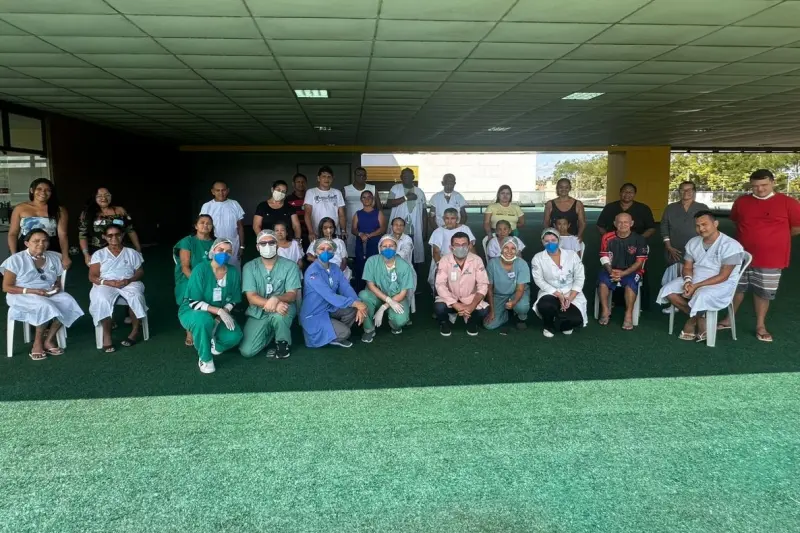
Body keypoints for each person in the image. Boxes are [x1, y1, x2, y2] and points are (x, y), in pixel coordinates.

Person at [719, 169, 800, 342]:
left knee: (763, 293)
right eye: (755, 186)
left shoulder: (789, 203)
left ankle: (760, 325)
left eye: (764, 185)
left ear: (773, 182)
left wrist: (774, 239)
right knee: (735, 287)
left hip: (771, 258)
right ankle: (728, 319)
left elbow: (796, 228)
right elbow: (736, 221)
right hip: (741, 255)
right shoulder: (741, 202)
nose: (760, 189)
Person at [657, 211, 744, 342]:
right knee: (668, 290)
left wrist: (696, 286)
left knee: (701, 294)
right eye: (697, 226)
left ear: (715, 224)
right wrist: (688, 281)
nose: (701, 229)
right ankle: (701, 318)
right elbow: (687, 267)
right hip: (696, 277)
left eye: (704, 224)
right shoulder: (693, 242)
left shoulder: (731, 245)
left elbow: (724, 276)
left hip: (721, 283)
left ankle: (691, 322)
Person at [0, 229, 84, 360]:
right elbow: (6, 287)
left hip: (46, 292)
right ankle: (37, 343)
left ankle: (49, 340)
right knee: (45, 306)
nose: (41, 244)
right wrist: (33, 291)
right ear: (27, 243)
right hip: (21, 294)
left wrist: (56, 287)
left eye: (45, 241)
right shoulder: (15, 260)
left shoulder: (53, 257)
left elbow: (56, 280)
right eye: (36, 241)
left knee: (68, 302)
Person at [178, 238, 243, 373]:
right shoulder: (200, 269)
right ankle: (205, 358)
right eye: (221, 250)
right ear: (213, 250)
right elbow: (193, 302)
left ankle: (215, 345)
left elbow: (234, 299)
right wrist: (219, 311)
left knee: (235, 335)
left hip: (218, 312)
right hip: (192, 311)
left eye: (228, 251)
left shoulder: (233, 272)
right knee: (203, 320)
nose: (224, 253)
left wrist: (221, 315)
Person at [240, 230, 302, 359]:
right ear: (257, 247)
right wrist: (273, 304)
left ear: (277, 245)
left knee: (280, 315)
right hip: (258, 311)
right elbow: (251, 298)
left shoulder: (290, 266)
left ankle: (283, 344)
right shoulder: (249, 267)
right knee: (247, 351)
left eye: (271, 242)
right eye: (263, 243)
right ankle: (271, 332)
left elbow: (292, 294)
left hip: (283, 308)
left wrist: (276, 299)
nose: (267, 246)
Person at [89, 224, 147, 352]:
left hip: (128, 282)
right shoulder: (99, 254)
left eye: (117, 234)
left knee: (136, 296)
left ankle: (135, 331)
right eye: (110, 235)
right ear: (104, 237)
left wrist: (129, 280)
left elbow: (140, 271)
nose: (114, 238)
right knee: (102, 299)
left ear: (122, 235)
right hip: (106, 283)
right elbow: (92, 276)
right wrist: (108, 282)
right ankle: (107, 336)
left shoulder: (132, 252)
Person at [300, 238, 367, 348]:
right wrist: (355, 303)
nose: (326, 251)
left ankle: (333, 331)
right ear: (316, 251)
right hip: (315, 313)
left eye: (329, 249)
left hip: (329, 308)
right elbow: (329, 296)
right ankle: (336, 334)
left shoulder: (334, 267)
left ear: (333, 251)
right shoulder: (313, 272)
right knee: (345, 332)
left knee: (353, 309)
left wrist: (357, 302)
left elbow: (346, 288)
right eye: (322, 249)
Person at [532, 228, 588, 337]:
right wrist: (558, 294)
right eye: (546, 241)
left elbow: (580, 277)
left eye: (553, 240)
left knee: (576, 320)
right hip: (550, 291)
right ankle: (549, 325)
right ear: (542, 242)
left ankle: (564, 324)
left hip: (570, 291)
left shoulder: (572, 255)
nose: (550, 243)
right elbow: (539, 280)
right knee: (545, 305)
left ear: (559, 240)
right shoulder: (538, 258)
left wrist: (570, 298)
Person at [597, 213, 649, 330]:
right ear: (615, 224)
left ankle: (628, 314)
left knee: (631, 285)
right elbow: (604, 257)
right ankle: (605, 310)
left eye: (626, 222)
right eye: (619, 222)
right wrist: (611, 271)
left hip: (632, 271)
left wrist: (623, 273)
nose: (623, 224)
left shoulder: (639, 239)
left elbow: (639, 262)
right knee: (603, 283)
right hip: (611, 269)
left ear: (631, 223)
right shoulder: (607, 237)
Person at [359, 235, 415, 342]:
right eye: (384, 246)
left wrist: (384, 307)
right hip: (376, 296)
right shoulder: (372, 261)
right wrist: (388, 300)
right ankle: (369, 329)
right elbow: (370, 285)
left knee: (400, 320)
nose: (388, 249)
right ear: (379, 248)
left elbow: (403, 293)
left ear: (396, 247)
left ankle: (393, 324)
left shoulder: (404, 266)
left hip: (397, 298)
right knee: (363, 295)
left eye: (391, 246)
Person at [434, 232, 489, 337]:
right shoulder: (444, 260)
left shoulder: (477, 260)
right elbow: (440, 285)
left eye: (464, 244)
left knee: (484, 310)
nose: (461, 248)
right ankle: (444, 323)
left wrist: (472, 306)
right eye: (457, 245)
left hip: (470, 297)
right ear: (451, 248)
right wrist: (455, 304)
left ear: (469, 246)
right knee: (439, 307)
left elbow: (483, 284)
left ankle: (472, 322)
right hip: (451, 296)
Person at [8, 178, 70, 268]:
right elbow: (13, 234)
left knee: (51, 274)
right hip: (26, 247)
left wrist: (65, 256)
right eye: (39, 189)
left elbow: (63, 235)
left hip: (50, 247)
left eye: (47, 190)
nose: (43, 192)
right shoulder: (20, 208)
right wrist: (14, 255)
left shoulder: (59, 210)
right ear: (32, 190)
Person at [173, 215, 215, 346]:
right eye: (202, 222)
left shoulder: (215, 243)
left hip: (210, 277)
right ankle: (189, 330)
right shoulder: (188, 241)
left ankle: (211, 324)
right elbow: (185, 267)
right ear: (196, 226)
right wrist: (197, 283)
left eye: (209, 223)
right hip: (188, 277)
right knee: (190, 292)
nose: (205, 225)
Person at [660, 181, 710, 287]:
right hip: (675, 251)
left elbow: (708, 228)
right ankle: (673, 296)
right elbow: (664, 227)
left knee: (695, 276)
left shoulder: (702, 207)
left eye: (689, 189)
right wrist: (668, 246)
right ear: (679, 191)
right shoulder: (670, 208)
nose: (686, 192)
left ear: (694, 192)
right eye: (682, 189)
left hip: (696, 249)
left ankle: (692, 295)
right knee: (674, 279)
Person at [78, 187, 141, 265]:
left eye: (107, 195)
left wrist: (138, 249)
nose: (104, 198)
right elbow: (82, 235)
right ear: (94, 198)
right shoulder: (87, 214)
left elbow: (130, 230)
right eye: (99, 196)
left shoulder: (120, 211)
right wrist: (86, 255)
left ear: (111, 196)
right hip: (98, 252)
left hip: (121, 250)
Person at [484, 237, 530, 331]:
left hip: (516, 293)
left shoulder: (522, 264)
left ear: (516, 250)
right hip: (499, 295)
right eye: (506, 247)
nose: (509, 251)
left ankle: (521, 317)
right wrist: (492, 311)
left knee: (522, 307)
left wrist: (514, 302)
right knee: (489, 325)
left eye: (513, 248)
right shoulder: (492, 264)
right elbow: (489, 289)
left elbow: (520, 289)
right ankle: (505, 314)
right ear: (501, 248)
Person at [387, 167, 427, 266]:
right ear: (400, 177)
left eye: (408, 176)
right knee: (397, 257)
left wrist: (425, 230)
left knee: (413, 258)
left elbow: (424, 212)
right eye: (404, 176)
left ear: (413, 177)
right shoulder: (395, 188)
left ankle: (413, 275)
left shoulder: (420, 192)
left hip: (414, 231)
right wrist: (406, 197)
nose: (406, 178)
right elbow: (389, 203)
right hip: (398, 231)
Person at [199, 180, 246, 267]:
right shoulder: (207, 206)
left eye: (223, 190)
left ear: (227, 190)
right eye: (218, 190)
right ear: (213, 191)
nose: (221, 193)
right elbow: (202, 228)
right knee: (215, 268)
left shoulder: (234, 204)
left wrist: (241, 246)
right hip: (213, 245)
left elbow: (240, 227)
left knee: (233, 269)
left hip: (233, 245)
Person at [428, 208, 476, 291]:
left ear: (457, 219)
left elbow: (471, 248)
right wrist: (443, 267)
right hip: (444, 262)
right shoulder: (438, 231)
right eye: (447, 218)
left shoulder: (465, 229)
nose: (449, 221)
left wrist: (474, 263)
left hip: (464, 262)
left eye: (452, 218)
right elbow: (436, 252)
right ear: (443, 219)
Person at [352, 189, 386, 291]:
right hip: (361, 244)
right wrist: (360, 234)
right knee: (360, 267)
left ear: (373, 199)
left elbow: (383, 228)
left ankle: (375, 292)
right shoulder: (358, 214)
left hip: (374, 244)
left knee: (375, 267)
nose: (366, 199)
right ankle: (360, 292)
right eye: (364, 197)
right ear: (361, 200)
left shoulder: (378, 213)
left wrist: (370, 235)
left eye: (369, 197)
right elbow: (353, 229)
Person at [304, 166, 347, 241]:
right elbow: (307, 214)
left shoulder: (337, 193)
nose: (327, 179)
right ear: (318, 178)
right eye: (324, 176)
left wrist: (343, 230)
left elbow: (341, 215)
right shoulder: (311, 192)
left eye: (329, 177)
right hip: (316, 234)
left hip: (334, 233)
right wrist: (311, 232)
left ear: (332, 178)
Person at [343, 167, 379, 256]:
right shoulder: (346, 189)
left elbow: (379, 208)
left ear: (366, 177)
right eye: (359, 175)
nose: (361, 177)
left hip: (370, 228)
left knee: (370, 253)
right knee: (350, 253)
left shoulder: (372, 188)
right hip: (350, 227)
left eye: (363, 175)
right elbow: (341, 209)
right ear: (354, 176)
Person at [389, 217, 416, 314]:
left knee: (407, 293)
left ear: (404, 227)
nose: (398, 227)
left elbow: (405, 251)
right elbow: (381, 252)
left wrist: (390, 255)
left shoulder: (407, 238)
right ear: (392, 226)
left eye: (401, 225)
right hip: (389, 269)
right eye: (396, 225)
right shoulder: (386, 238)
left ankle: (406, 313)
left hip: (405, 269)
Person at [286, 173, 310, 250]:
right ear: (293, 184)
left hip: (309, 232)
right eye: (298, 182)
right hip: (293, 233)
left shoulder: (311, 197)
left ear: (306, 183)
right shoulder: (287, 199)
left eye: (303, 182)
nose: (301, 184)